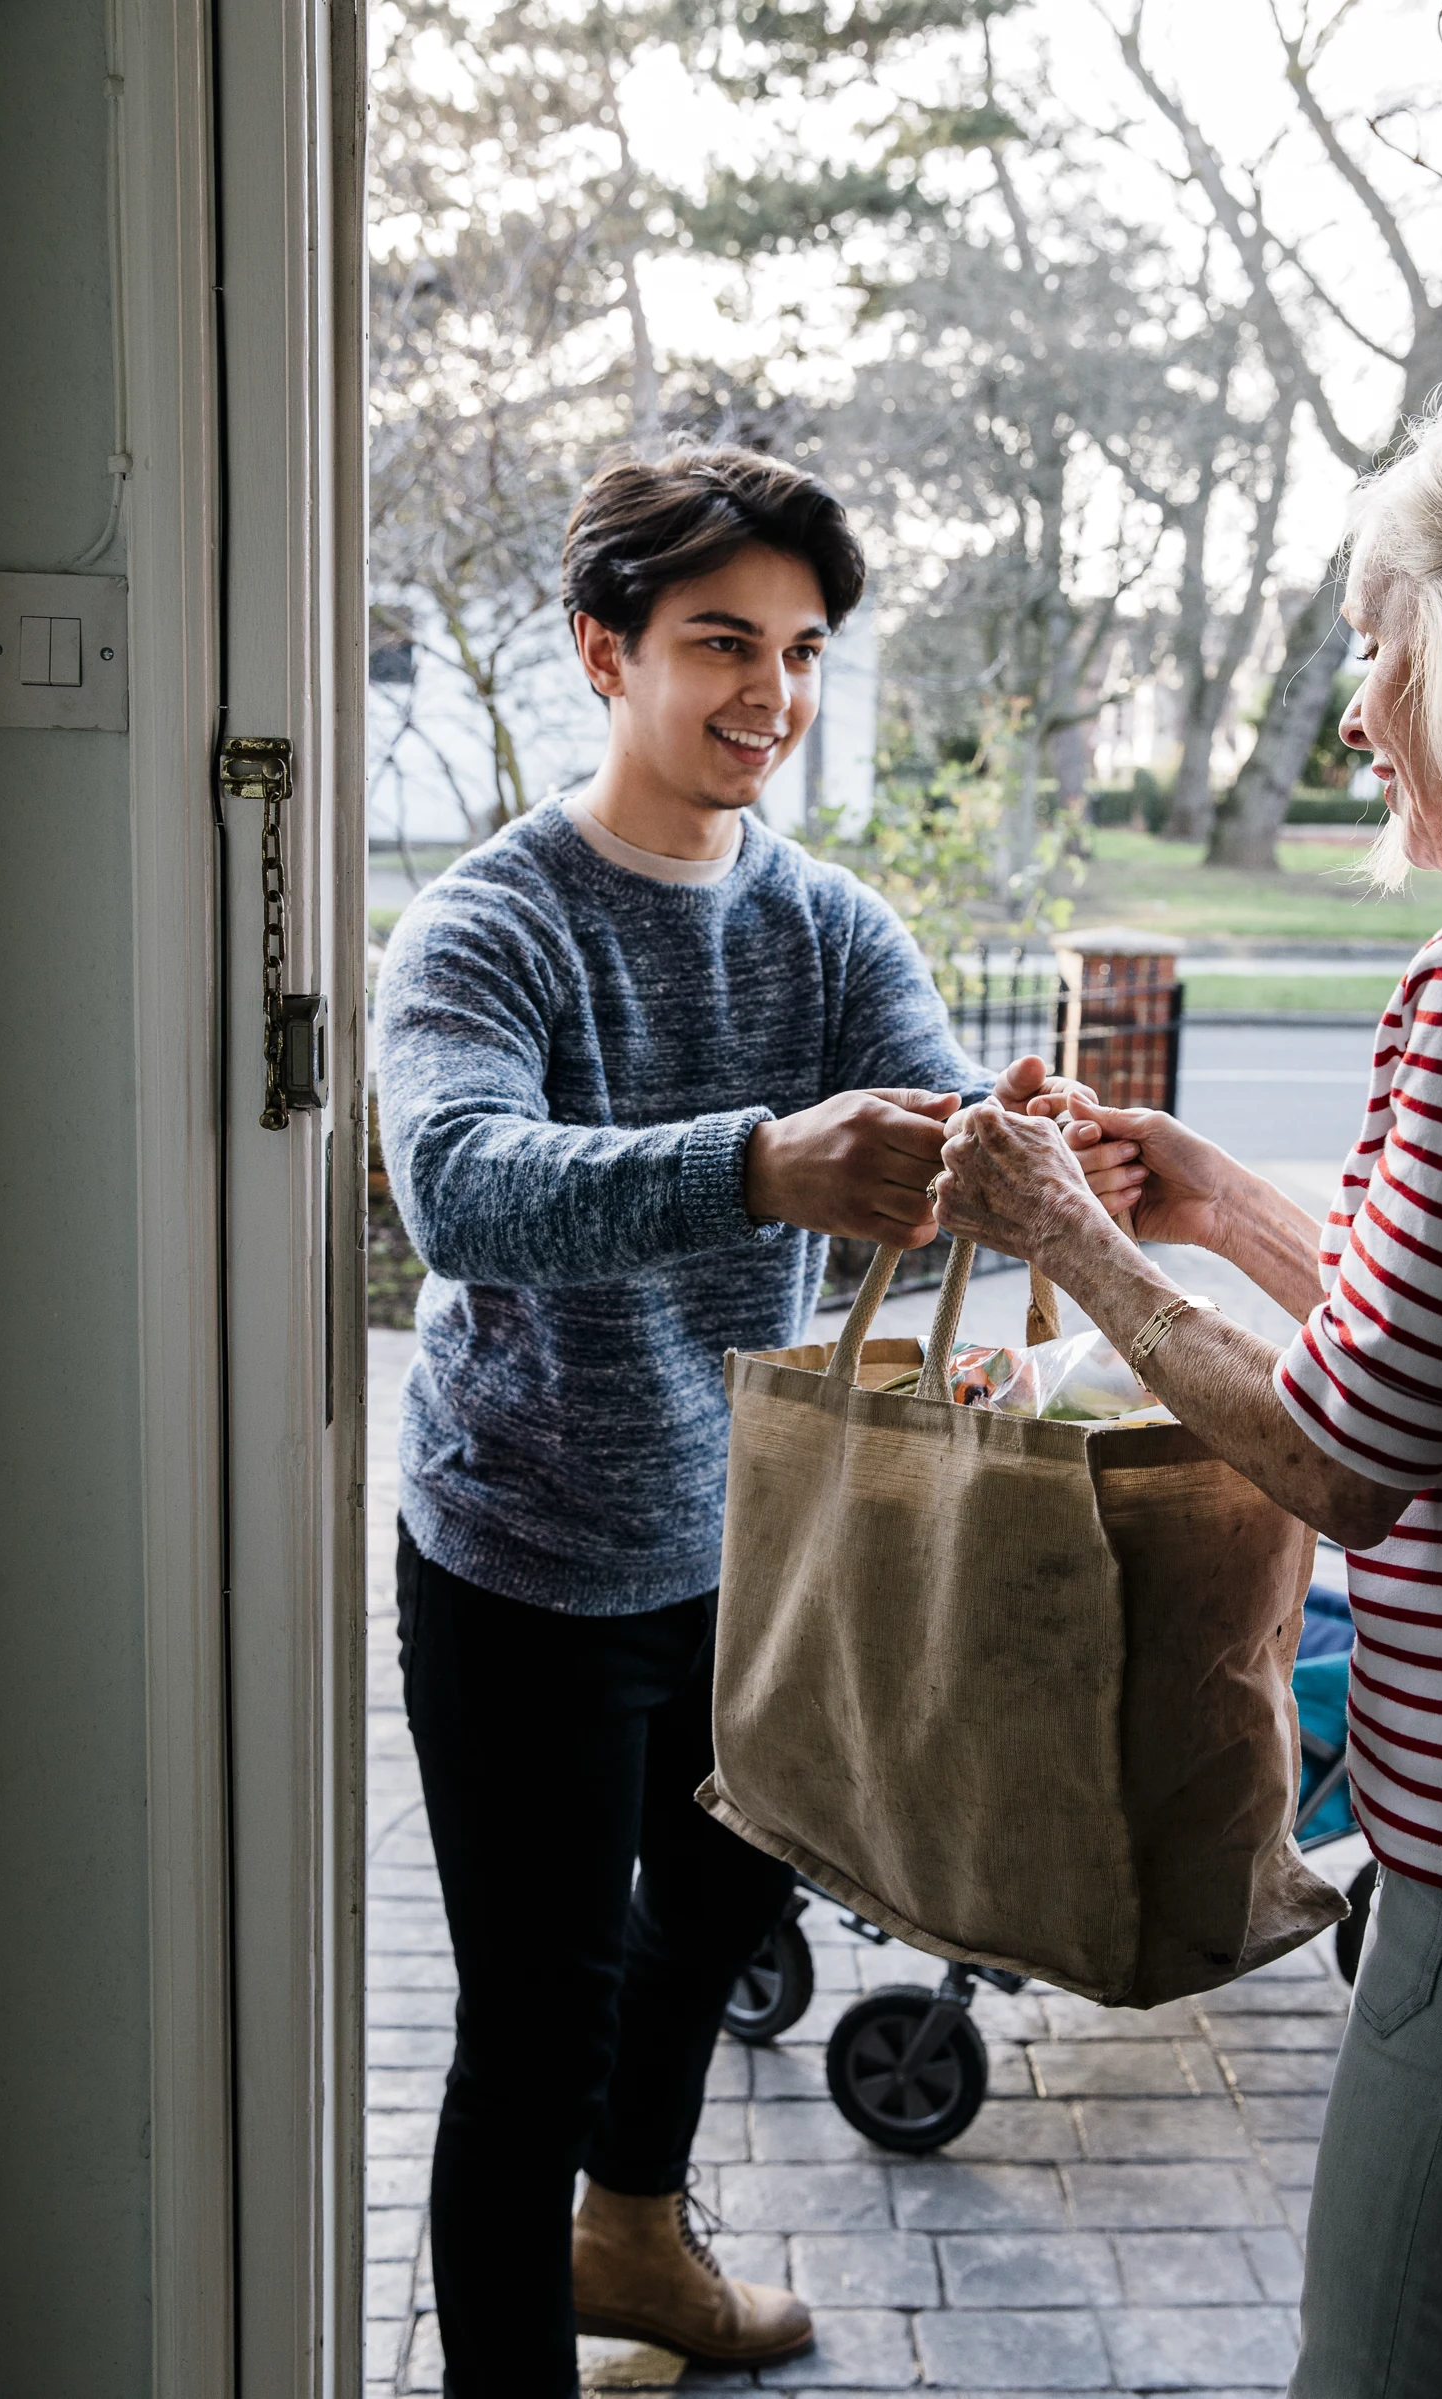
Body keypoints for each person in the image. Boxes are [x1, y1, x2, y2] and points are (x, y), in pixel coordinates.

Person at [376, 444, 1080, 2399]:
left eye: (797, 649)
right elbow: (454, 1180)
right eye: (718, 643)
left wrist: (993, 1152)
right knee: (533, 2014)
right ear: (603, 651)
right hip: (517, 1554)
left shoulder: (828, 925)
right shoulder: (492, 921)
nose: (768, 692)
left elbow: (929, 1127)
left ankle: (633, 2232)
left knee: (711, 1905)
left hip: (749, 1545)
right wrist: (760, 1160)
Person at [929, 368, 1442, 2399]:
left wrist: (1069, 1237)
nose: (1357, 710)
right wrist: (1209, 1200)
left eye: (1378, 644)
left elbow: (1351, 1448)